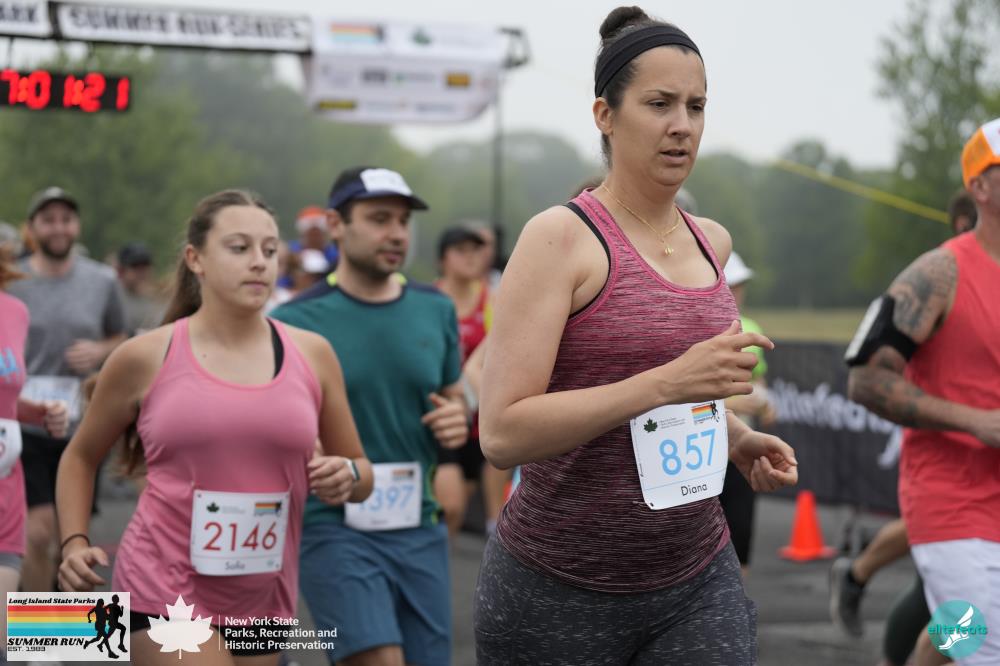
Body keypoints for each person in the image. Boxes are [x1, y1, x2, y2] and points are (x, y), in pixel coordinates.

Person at [474, 8, 798, 664]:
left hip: (696, 576)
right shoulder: (560, 238)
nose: (682, 125)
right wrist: (665, 384)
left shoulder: (713, 243)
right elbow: (502, 434)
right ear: (605, 114)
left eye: (696, 106)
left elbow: (679, 395)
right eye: (659, 104)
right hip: (557, 585)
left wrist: (735, 437)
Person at [55, 189, 373, 666]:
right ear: (195, 259)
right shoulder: (144, 355)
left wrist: (346, 474)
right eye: (239, 247)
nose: (259, 261)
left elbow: (363, 473)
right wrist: (74, 544)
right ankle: (44, 642)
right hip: (160, 585)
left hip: (263, 598)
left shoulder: (314, 353)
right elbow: (80, 457)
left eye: (270, 249)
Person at [271, 166, 468, 666]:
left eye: (403, 221)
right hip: (332, 524)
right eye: (379, 219)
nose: (396, 233)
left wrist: (457, 419)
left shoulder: (435, 308)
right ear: (336, 225)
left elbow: (451, 395)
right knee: (378, 659)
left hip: (417, 521)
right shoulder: (292, 321)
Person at [845, 119, 1000, 666]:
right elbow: (865, 380)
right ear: (979, 187)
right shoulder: (939, 272)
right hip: (950, 496)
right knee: (984, 636)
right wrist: (975, 420)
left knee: (964, 627)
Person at [7, 186, 127, 592]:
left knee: (69, 539)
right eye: (48, 220)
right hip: (26, 423)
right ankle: (38, 629)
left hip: (83, 425)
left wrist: (99, 349)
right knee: (37, 531)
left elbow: (121, 335)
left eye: (66, 220)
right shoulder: (14, 280)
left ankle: (62, 623)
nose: (58, 228)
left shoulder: (102, 280)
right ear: (33, 227)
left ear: (76, 226)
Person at [0, 239, 68, 658]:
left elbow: (5, 395)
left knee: (4, 642)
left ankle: (48, 647)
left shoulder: (14, 311)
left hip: (6, 491)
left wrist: (35, 412)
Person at [719, 252, 776, 576]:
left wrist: (766, 402)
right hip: (709, 442)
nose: (738, 292)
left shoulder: (751, 327)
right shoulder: (702, 327)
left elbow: (758, 379)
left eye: (741, 285)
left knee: (740, 529)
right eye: (732, 285)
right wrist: (740, 402)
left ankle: (737, 597)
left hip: (743, 442)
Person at [433, 226, 490, 536]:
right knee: (449, 505)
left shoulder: (493, 301)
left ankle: (443, 554)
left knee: (462, 500)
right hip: (440, 414)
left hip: (481, 420)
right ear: (443, 258)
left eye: (475, 251)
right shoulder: (428, 300)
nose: (470, 258)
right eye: (461, 250)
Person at [116, 242, 165, 337]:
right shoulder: (113, 296)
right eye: (135, 266)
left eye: (145, 265)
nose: (141, 271)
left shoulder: (160, 298)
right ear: (121, 270)